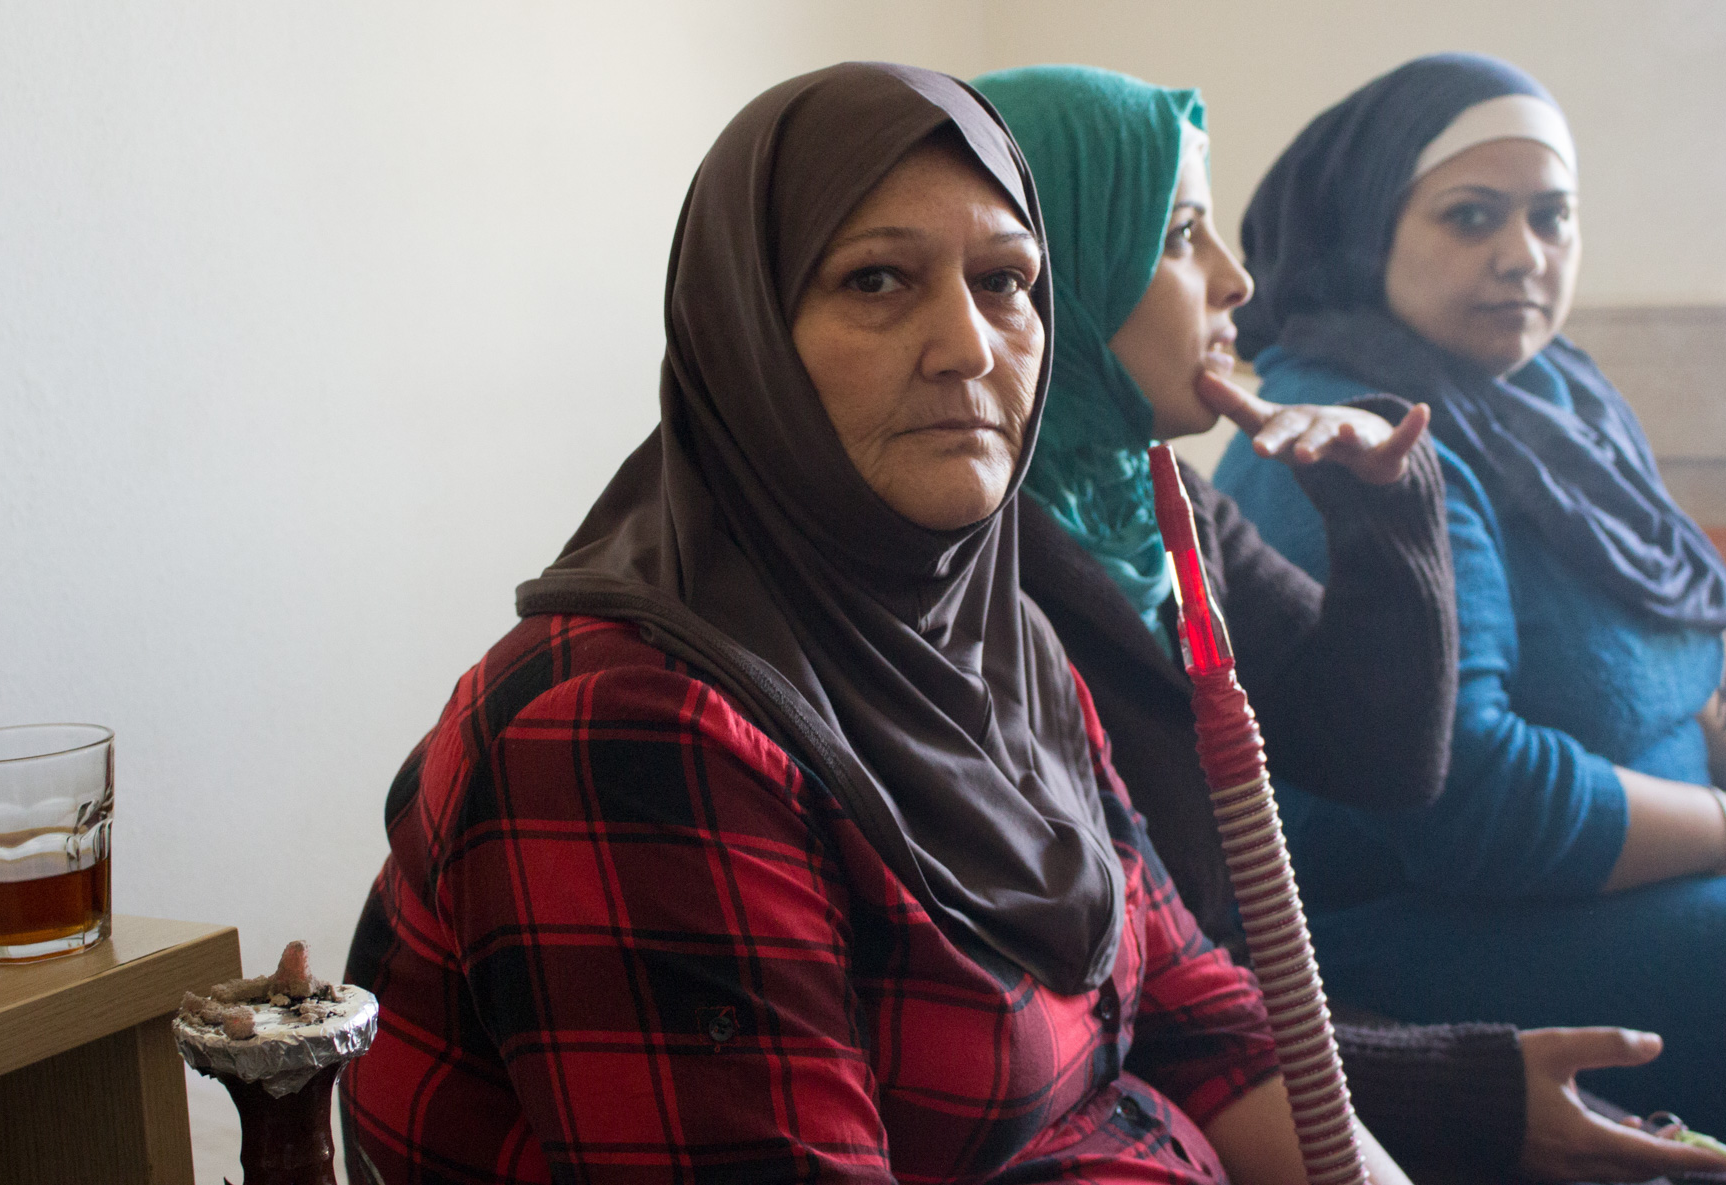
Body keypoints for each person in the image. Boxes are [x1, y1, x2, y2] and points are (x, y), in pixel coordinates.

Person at [340, 61, 1412, 1184]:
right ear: (742, 331)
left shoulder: (1003, 641)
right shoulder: (625, 728)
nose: (968, 346)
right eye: (876, 280)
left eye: (1006, 281)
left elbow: (1199, 1016)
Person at [973, 63, 1726, 1185]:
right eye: (1180, 234)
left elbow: (1378, 758)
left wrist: (1380, 503)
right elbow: (1107, 1016)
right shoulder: (976, 568)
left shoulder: (1154, 503)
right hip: (1179, 1077)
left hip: (1245, 1044)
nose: (1236, 280)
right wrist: (1460, 1089)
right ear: (1059, 271)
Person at [1211, 51, 1726, 1180]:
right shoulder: (1354, 440)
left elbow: (1660, 628)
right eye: (1471, 217)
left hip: (1623, 861)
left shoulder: (1555, 393)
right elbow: (1473, 802)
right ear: (1363, 232)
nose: (1522, 255)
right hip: (1433, 917)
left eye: (1551, 218)